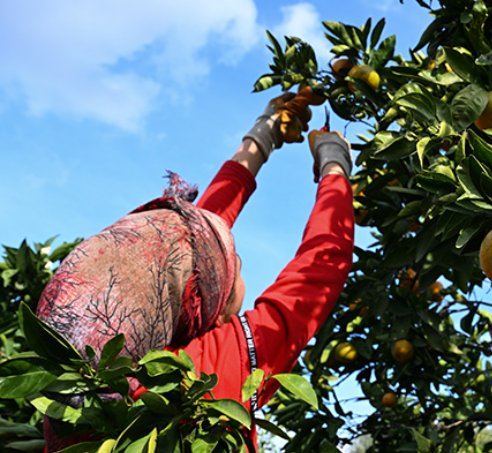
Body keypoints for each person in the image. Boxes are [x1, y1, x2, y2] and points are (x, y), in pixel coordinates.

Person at [36, 92, 355, 451]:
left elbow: (188, 249)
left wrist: (262, 135)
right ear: (210, 307)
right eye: (236, 263)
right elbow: (322, 264)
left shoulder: (89, 386)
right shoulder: (207, 374)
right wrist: (335, 163)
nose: (238, 264)